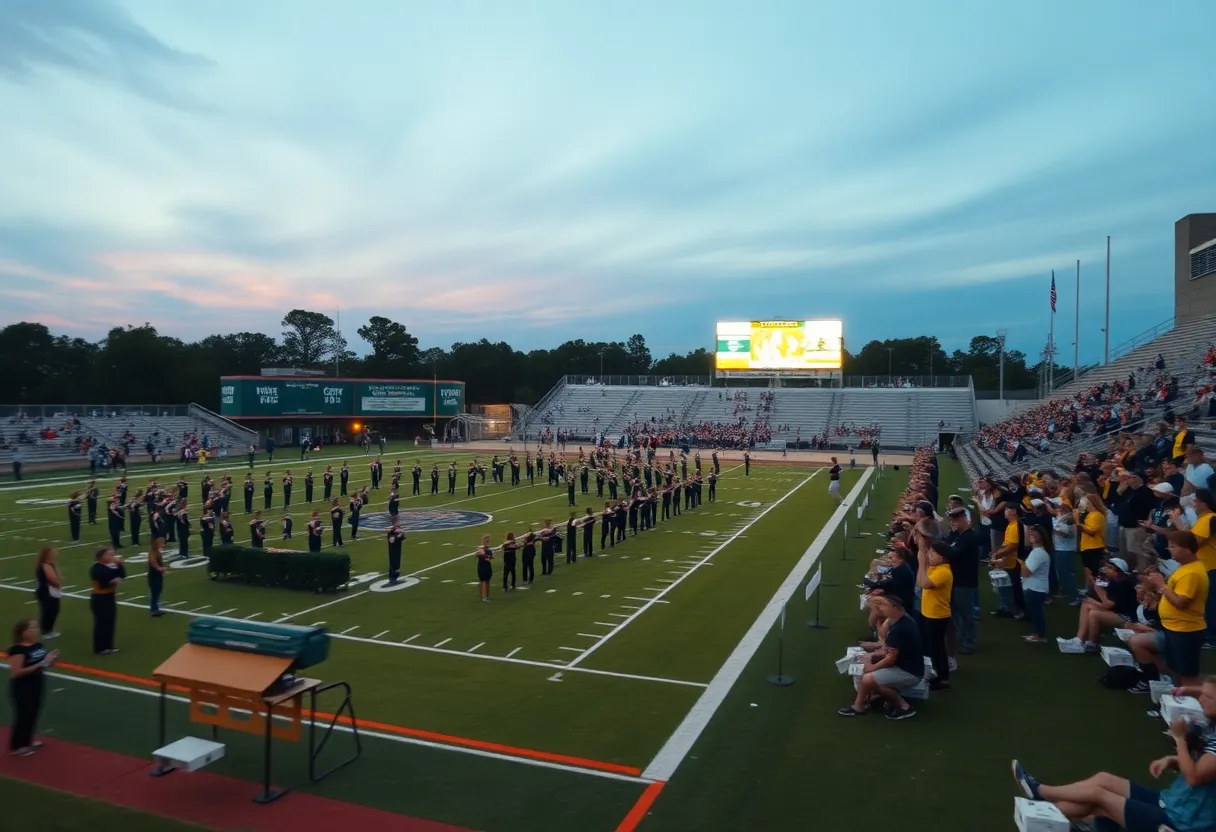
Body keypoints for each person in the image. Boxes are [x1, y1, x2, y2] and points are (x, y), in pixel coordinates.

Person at [1012, 675, 1216, 831]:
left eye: (1208, 697)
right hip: (1172, 802)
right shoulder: (1212, 726)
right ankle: (1040, 815)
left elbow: (1195, 777)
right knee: (1103, 780)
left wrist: (1179, 740)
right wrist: (1173, 759)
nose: (1201, 700)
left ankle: (1041, 794)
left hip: (1182, 822)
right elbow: (1204, 769)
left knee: (1098, 799)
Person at [838, 593, 921, 720]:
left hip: (908, 672)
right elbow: (888, 649)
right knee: (869, 676)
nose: (881, 608)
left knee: (868, 679)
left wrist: (872, 667)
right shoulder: (902, 620)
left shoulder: (900, 628)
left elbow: (891, 657)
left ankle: (904, 707)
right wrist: (872, 655)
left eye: (884, 606)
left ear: (894, 607)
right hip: (908, 667)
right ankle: (862, 703)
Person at [1142, 531, 1209, 688]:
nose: (1169, 549)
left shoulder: (1192, 572)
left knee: (1188, 676)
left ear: (1187, 549)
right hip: (1175, 628)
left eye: (1173, 546)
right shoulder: (1185, 568)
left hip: (1185, 631)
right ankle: (1179, 701)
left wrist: (1161, 585)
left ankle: (1193, 708)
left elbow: (1180, 602)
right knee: (1176, 670)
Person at [7, 619, 57, 756]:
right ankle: (17, 746)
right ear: (23, 633)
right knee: (23, 715)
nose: (36, 630)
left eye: (35, 627)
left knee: (33, 712)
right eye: (32, 628)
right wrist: (40, 664)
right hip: (23, 686)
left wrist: (51, 660)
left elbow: (44, 664)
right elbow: (16, 672)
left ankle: (27, 740)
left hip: (37, 683)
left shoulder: (38, 646)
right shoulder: (18, 649)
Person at [917, 539, 953, 688]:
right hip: (928, 613)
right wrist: (923, 560)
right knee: (932, 647)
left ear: (942, 556)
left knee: (937, 648)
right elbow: (920, 581)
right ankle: (937, 673)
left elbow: (925, 583)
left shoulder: (943, 571)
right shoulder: (935, 568)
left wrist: (921, 562)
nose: (930, 555)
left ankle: (943, 678)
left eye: (933, 553)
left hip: (937, 615)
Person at [89, 546, 125, 655]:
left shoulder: (110, 566)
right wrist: (113, 581)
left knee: (110, 622)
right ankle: (100, 648)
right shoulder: (96, 568)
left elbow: (122, 575)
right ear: (102, 556)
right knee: (101, 623)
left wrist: (120, 564)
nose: (112, 556)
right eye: (110, 554)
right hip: (100, 598)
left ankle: (108, 646)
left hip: (109, 596)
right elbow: (102, 583)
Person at [1020, 525, 1052, 644]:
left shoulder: (1038, 553)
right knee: (1035, 613)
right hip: (1035, 588)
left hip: (1035, 589)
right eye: (1031, 533)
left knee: (1037, 613)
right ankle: (1036, 634)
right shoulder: (1037, 551)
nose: (1031, 535)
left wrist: (1021, 564)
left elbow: (1026, 572)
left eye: (1034, 534)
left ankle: (1041, 636)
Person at [32, 547, 61, 639]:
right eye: (53, 553)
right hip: (46, 591)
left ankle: (49, 630)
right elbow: (52, 579)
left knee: (54, 610)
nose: (55, 554)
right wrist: (58, 583)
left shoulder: (51, 564)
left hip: (51, 591)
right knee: (48, 611)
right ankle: (45, 631)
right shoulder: (45, 565)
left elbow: (58, 576)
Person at [147, 537, 167, 617]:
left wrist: (162, 571)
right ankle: (154, 609)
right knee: (155, 592)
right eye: (162, 543)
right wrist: (159, 568)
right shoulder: (153, 553)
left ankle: (155, 608)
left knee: (157, 591)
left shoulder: (157, 552)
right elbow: (153, 562)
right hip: (154, 575)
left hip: (157, 575)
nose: (164, 545)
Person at [386, 517, 405, 585]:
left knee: (397, 560)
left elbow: (403, 538)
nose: (398, 523)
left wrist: (401, 533)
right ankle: (392, 574)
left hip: (398, 548)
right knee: (393, 560)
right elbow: (391, 540)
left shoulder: (398, 529)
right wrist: (398, 536)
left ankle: (395, 572)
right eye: (397, 522)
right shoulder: (391, 531)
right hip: (393, 549)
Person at [476, 534, 493, 602]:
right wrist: (481, 551)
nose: (487, 540)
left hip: (488, 566)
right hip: (482, 566)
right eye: (485, 539)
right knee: (483, 581)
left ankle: (487, 596)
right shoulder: (480, 549)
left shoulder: (488, 549)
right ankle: (484, 597)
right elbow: (478, 554)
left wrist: (484, 552)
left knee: (488, 581)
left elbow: (489, 558)